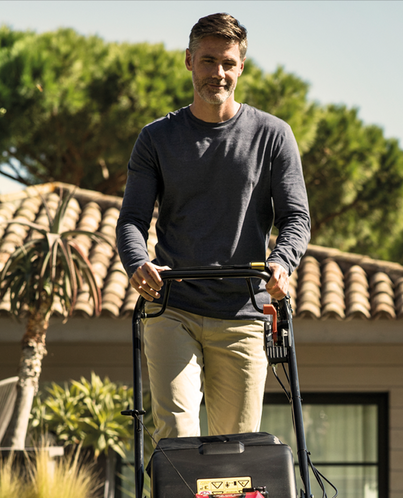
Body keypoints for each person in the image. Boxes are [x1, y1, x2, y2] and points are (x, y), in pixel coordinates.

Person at [117, 13, 310, 442]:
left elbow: (296, 218)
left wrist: (281, 264)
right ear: (188, 60)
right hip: (172, 307)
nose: (217, 73)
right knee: (177, 433)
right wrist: (137, 262)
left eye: (227, 62)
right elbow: (132, 219)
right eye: (207, 61)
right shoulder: (157, 139)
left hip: (243, 311)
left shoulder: (273, 136)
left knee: (236, 446)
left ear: (241, 66)